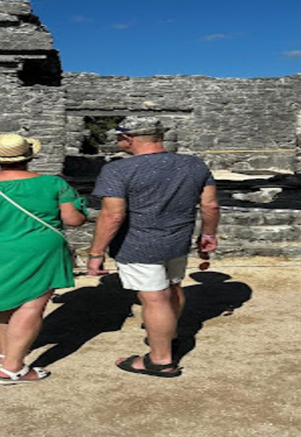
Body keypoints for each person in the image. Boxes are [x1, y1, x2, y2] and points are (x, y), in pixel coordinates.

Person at [87, 116, 220, 378]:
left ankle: (160, 359)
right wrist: (208, 233)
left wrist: (96, 252)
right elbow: (210, 205)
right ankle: (168, 337)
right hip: (177, 240)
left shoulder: (118, 170)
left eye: (118, 137)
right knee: (173, 288)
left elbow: (112, 215)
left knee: (153, 298)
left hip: (137, 244)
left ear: (128, 138)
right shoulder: (194, 164)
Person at [0, 133, 87, 385]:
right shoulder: (53, 184)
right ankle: (13, 368)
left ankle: (6, 354)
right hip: (39, 248)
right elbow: (73, 220)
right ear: (30, 157)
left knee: (1, 303)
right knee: (31, 305)